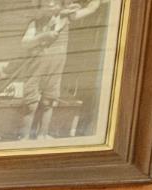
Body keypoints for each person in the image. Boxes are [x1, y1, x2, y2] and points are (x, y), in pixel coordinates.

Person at [18, 0, 106, 139]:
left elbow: (91, 9)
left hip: (55, 70)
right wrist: (43, 36)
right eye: (47, 4)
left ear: (60, 6)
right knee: (30, 105)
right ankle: (23, 138)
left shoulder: (67, 18)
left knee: (48, 102)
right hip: (35, 70)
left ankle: (42, 136)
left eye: (54, 4)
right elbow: (25, 43)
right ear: (41, 8)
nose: (51, 6)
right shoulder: (35, 23)